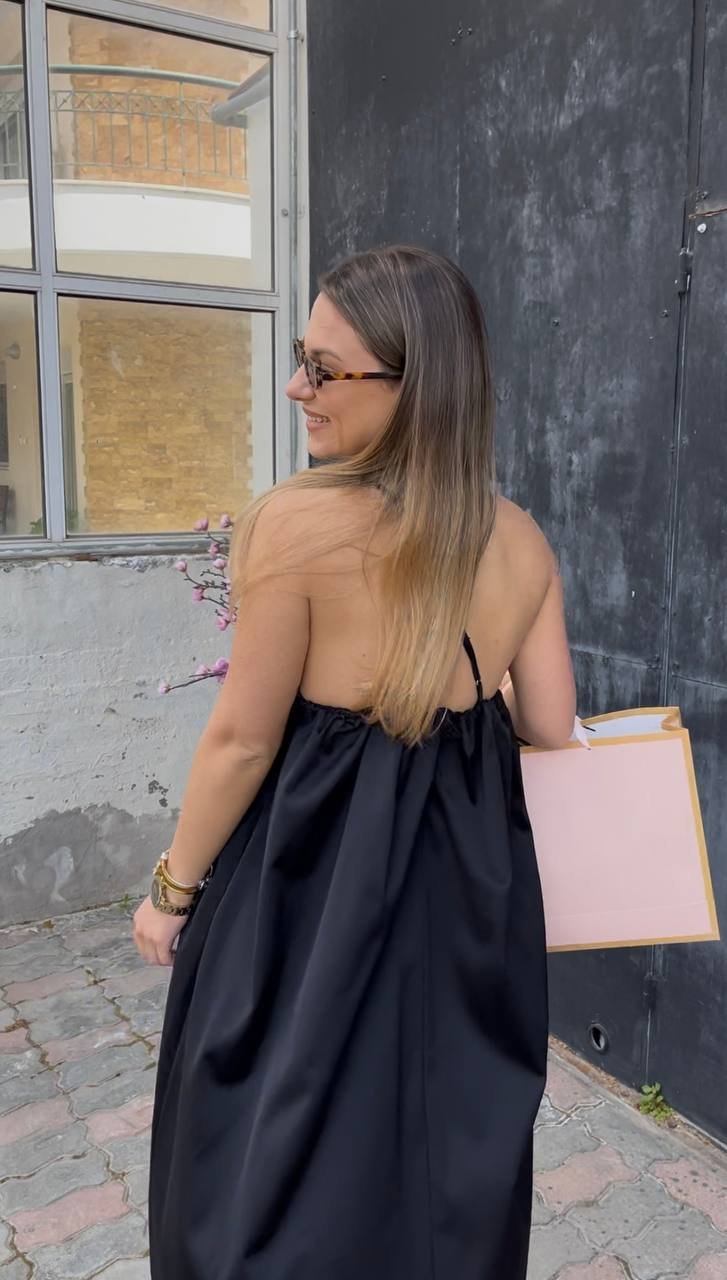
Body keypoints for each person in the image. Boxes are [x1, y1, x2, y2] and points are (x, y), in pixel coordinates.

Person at [136, 244, 577, 1279]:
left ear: (410, 384)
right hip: (466, 895)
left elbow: (243, 740)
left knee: (264, 1144)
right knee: (441, 1146)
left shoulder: (295, 525)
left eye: (324, 369)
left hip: (310, 887)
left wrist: (171, 889)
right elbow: (551, 723)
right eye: (303, 358)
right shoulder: (519, 538)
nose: (298, 386)